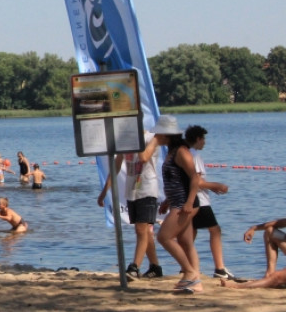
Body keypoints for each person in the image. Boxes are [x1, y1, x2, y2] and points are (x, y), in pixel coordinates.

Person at [97, 133, 164, 279]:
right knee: (144, 231)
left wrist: (135, 139)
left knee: (141, 229)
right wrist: (104, 192)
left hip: (147, 188)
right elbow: (116, 167)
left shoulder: (152, 137)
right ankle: (155, 266)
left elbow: (144, 157)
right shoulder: (125, 139)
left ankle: (134, 267)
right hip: (132, 190)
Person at [153, 115, 203, 294]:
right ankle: (195, 281)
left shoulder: (181, 151)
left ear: (167, 135)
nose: (155, 137)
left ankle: (189, 272)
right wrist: (167, 200)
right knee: (185, 241)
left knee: (164, 237)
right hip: (177, 201)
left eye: (158, 133)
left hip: (184, 203)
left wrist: (188, 202)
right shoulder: (171, 151)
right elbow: (176, 180)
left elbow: (195, 177)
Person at [185, 125, 235, 280]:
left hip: (189, 199)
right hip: (200, 201)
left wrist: (211, 188)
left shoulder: (184, 153)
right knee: (215, 230)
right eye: (203, 139)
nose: (205, 142)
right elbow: (197, 181)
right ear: (198, 139)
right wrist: (216, 185)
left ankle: (186, 266)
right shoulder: (194, 155)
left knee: (191, 232)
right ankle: (219, 268)